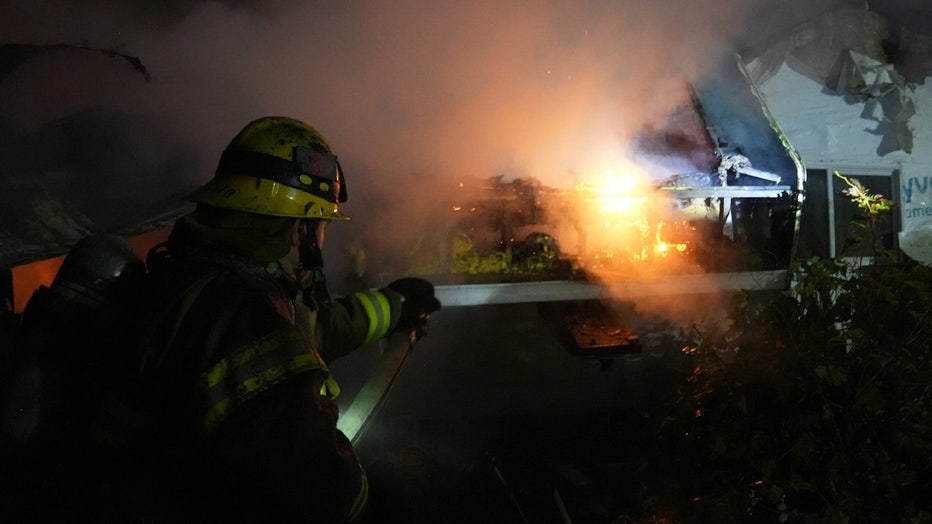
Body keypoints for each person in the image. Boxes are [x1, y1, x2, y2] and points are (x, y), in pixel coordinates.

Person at [129, 116, 440, 522]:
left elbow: (317, 329)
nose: (324, 240)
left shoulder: (198, 276)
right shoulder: (246, 312)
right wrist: (372, 499)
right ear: (300, 229)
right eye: (323, 226)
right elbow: (315, 488)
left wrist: (394, 304)